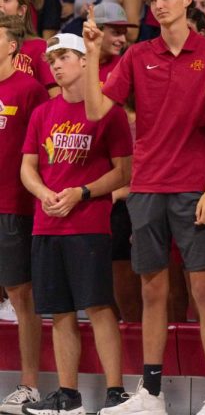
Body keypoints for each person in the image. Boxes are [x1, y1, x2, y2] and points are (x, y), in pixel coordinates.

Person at [83, 0, 205, 415]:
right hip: (146, 186)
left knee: (203, 289)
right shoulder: (136, 55)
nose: (160, 6)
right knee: (151, 291)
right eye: (154, 0)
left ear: (188, 0)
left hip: (192, 188)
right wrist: (91, 56)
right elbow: (94, 111)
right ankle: (151, 392)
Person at [19, 32, 131, 415]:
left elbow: (124, 173)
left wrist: (82, 192)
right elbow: (27, 168)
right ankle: (68, 395)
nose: (55, 64)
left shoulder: (109, 112)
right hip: (46, 224)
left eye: (64, 56)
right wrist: (42, 193)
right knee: (59, 312)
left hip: (88, 224)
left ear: (86, 60)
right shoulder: (42, 113)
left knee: (99, 306)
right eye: (51, 59)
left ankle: (116, 392)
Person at [0, 14, 49, 415]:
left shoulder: (31, 90)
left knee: (21, 296)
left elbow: (42, 152)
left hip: (13, 206)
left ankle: (29, 383)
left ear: (13, 45)